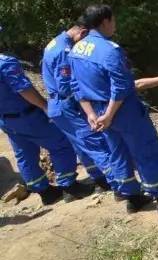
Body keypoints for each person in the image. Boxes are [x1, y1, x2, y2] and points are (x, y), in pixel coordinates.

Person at [67, 4, 158, 214]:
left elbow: (76, 86)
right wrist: (110, 114)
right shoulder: (110, 50)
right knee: (146, 151)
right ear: (105, 21)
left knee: (118, 153)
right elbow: (122, 87)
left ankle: (133, 198)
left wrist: (91, 115)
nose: (115, 25)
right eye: (113, 20)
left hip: (97, 111)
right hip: (122, 111)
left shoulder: (76, 49)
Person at [41, 22, 127, 195]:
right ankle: (119, 184)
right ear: (82, 32)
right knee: (94, 142)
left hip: (58, 105)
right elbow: (66, 86)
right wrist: (89, 97)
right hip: (66, 105)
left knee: (82, 146)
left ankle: (100, 178)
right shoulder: (64, 51)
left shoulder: (56, 42)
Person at [0, 51, 89, 204]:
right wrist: (44, 106)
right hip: (26, 116)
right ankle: (69, 187)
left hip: (6, 120)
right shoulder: (5, 63)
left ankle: (45, 193)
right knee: (61, 144)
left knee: (24, 154)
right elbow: (23, 89)